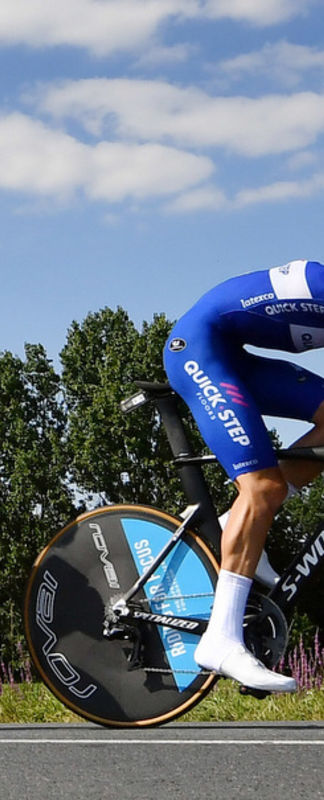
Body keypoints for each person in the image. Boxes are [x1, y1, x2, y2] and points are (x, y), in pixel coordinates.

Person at [163, 258, 324, 694]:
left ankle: (240, 520)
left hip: (232, 356)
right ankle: (221, 639)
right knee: (262, 486)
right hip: (198, 351)